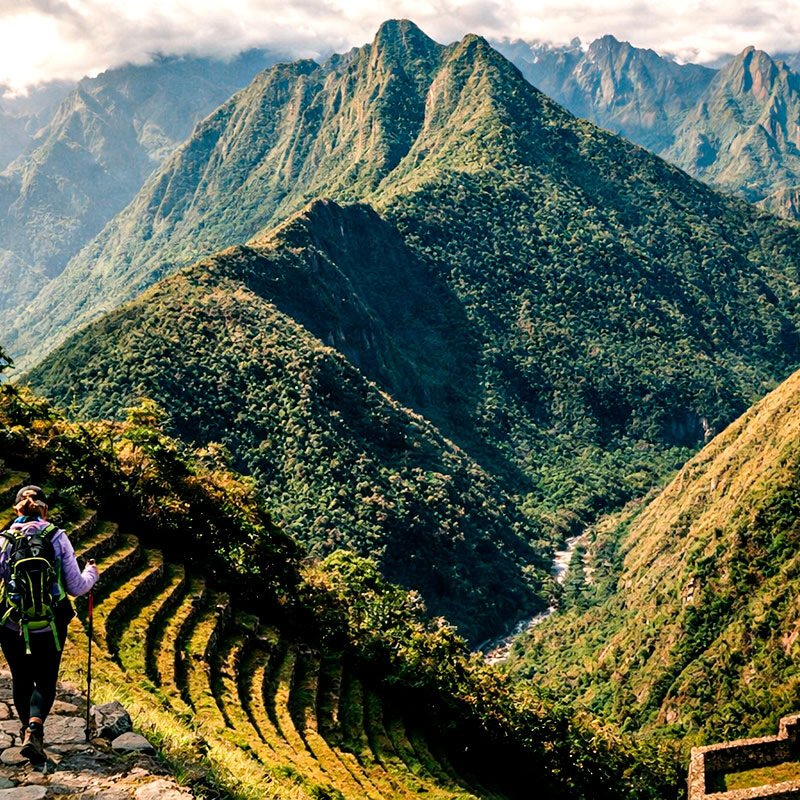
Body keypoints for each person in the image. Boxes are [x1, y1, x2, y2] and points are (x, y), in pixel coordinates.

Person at [0, 485, 99, 764]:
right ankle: (35, 727)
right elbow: (76, 586)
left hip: (13, 624)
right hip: (50, 624)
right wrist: (92, 572)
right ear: (45, 509)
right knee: (45, 679)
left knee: (21, 677)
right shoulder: (56, 537)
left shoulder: (4, 539)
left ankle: (26, 731)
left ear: (17, 508)